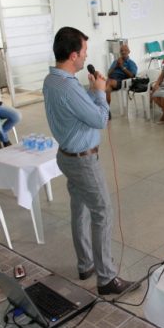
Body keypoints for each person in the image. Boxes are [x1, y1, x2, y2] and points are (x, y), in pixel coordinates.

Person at [43, 27, 136, 295]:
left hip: (66, 156)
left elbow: (75, 104)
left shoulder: (54, 79)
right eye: (83, 52)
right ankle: (106, 278)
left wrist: (90, 89)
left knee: (80, 209)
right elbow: (99, 119)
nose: (86, 57)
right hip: (83, 161)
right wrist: (99, 91)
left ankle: (86, 264)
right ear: (73, 55)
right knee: (102, 212)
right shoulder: (68, 85)